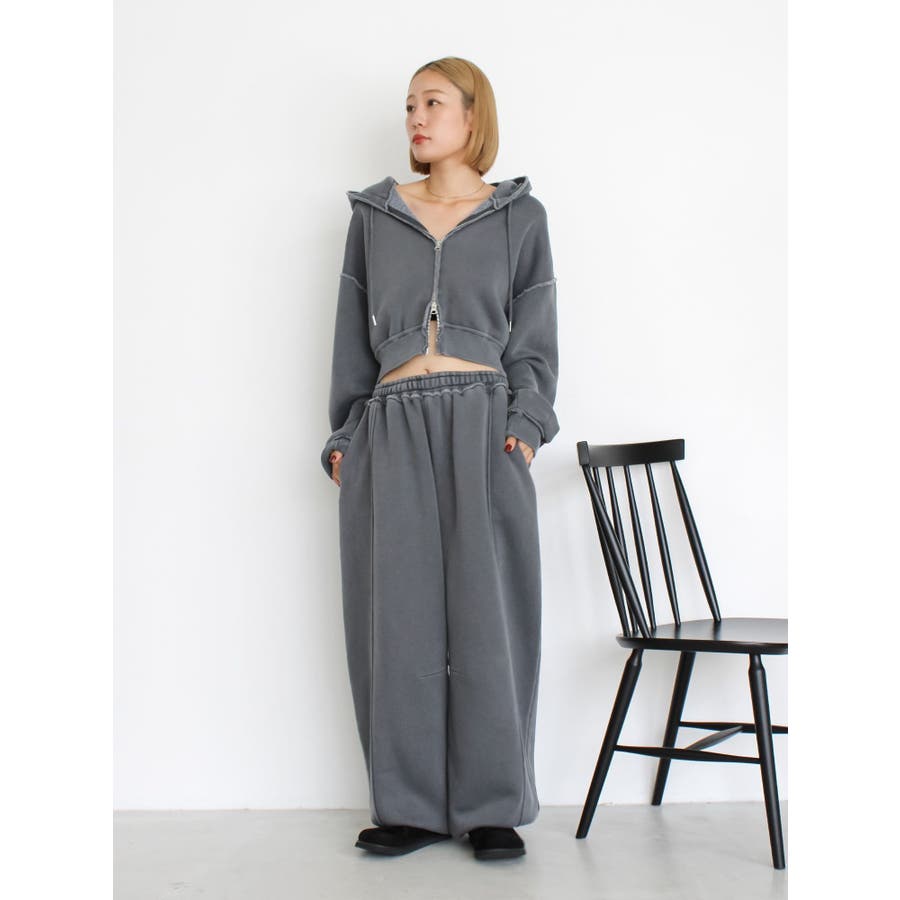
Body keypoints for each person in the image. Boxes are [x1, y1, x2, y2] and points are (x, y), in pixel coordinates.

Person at [320, 57, 560, 861]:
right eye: (409, 106)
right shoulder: (374, 216)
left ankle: (492, 805)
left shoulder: (519, 218)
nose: (416, 119)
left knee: (491, 619)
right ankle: (411, 806)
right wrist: (345, 437)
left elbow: (535, 342)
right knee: (397, 622)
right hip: (390, 425)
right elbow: (350, 339)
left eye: (432, 103)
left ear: (472, 115)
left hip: (486, 421)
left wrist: (526, 425)